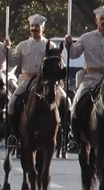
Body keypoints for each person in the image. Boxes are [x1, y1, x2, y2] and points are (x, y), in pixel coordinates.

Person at [65, 6, 104, 143]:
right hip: (91, 79)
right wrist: (69, 44)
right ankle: (75, 135)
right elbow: (73, 54)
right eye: (102, 19)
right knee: (77, 103)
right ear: (96, 20)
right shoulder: (86, 38)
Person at [6, 14, 63, 144]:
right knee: (11, 104)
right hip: (27, 80)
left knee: (67, 102)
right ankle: (14, 135)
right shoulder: (22, 45)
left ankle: (63, 133)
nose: (34, 28)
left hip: (45, 82)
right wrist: (7, 49)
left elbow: (58, 64)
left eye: (37, 26)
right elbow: (13, 63)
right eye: (32, 26)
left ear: (43, 28)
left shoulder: (51, 44)